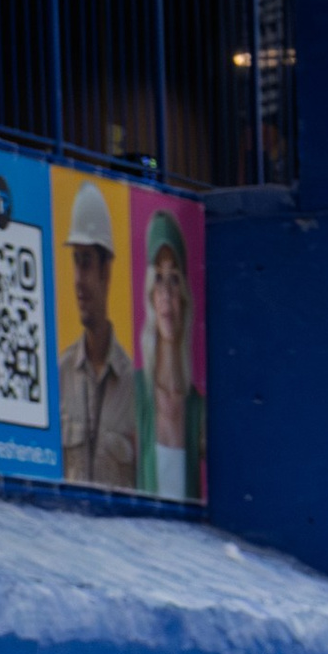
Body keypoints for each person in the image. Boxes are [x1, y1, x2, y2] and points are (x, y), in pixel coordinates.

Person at [58, 185, 136, 492]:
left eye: (87, 262)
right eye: (75, 261)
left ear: (107, 270)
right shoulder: (60, 375)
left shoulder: (135, 387)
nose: (78, 280)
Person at [133, 210, 203, 503]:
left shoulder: (199, 408)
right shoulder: (135, 392)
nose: (166, 294)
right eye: (158, 279)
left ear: (184, 295)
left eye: (174, 279)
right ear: (149, 295)